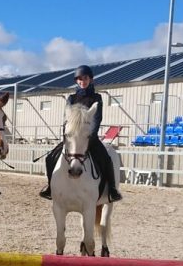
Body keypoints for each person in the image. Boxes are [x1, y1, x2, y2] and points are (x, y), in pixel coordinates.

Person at [38, 65, 123, 202]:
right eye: (79, 79)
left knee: (106, 158)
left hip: (89, 138)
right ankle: (50, 187)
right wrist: (66, 137)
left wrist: (90, 136)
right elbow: (66, 120)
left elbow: (97, 118)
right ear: (76, 81)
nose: (82, 81)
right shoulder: (71, 98)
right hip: (72, 139)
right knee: (50, 158)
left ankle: (112, 190)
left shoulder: (97, 98)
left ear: (90, 79)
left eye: (85, 78)